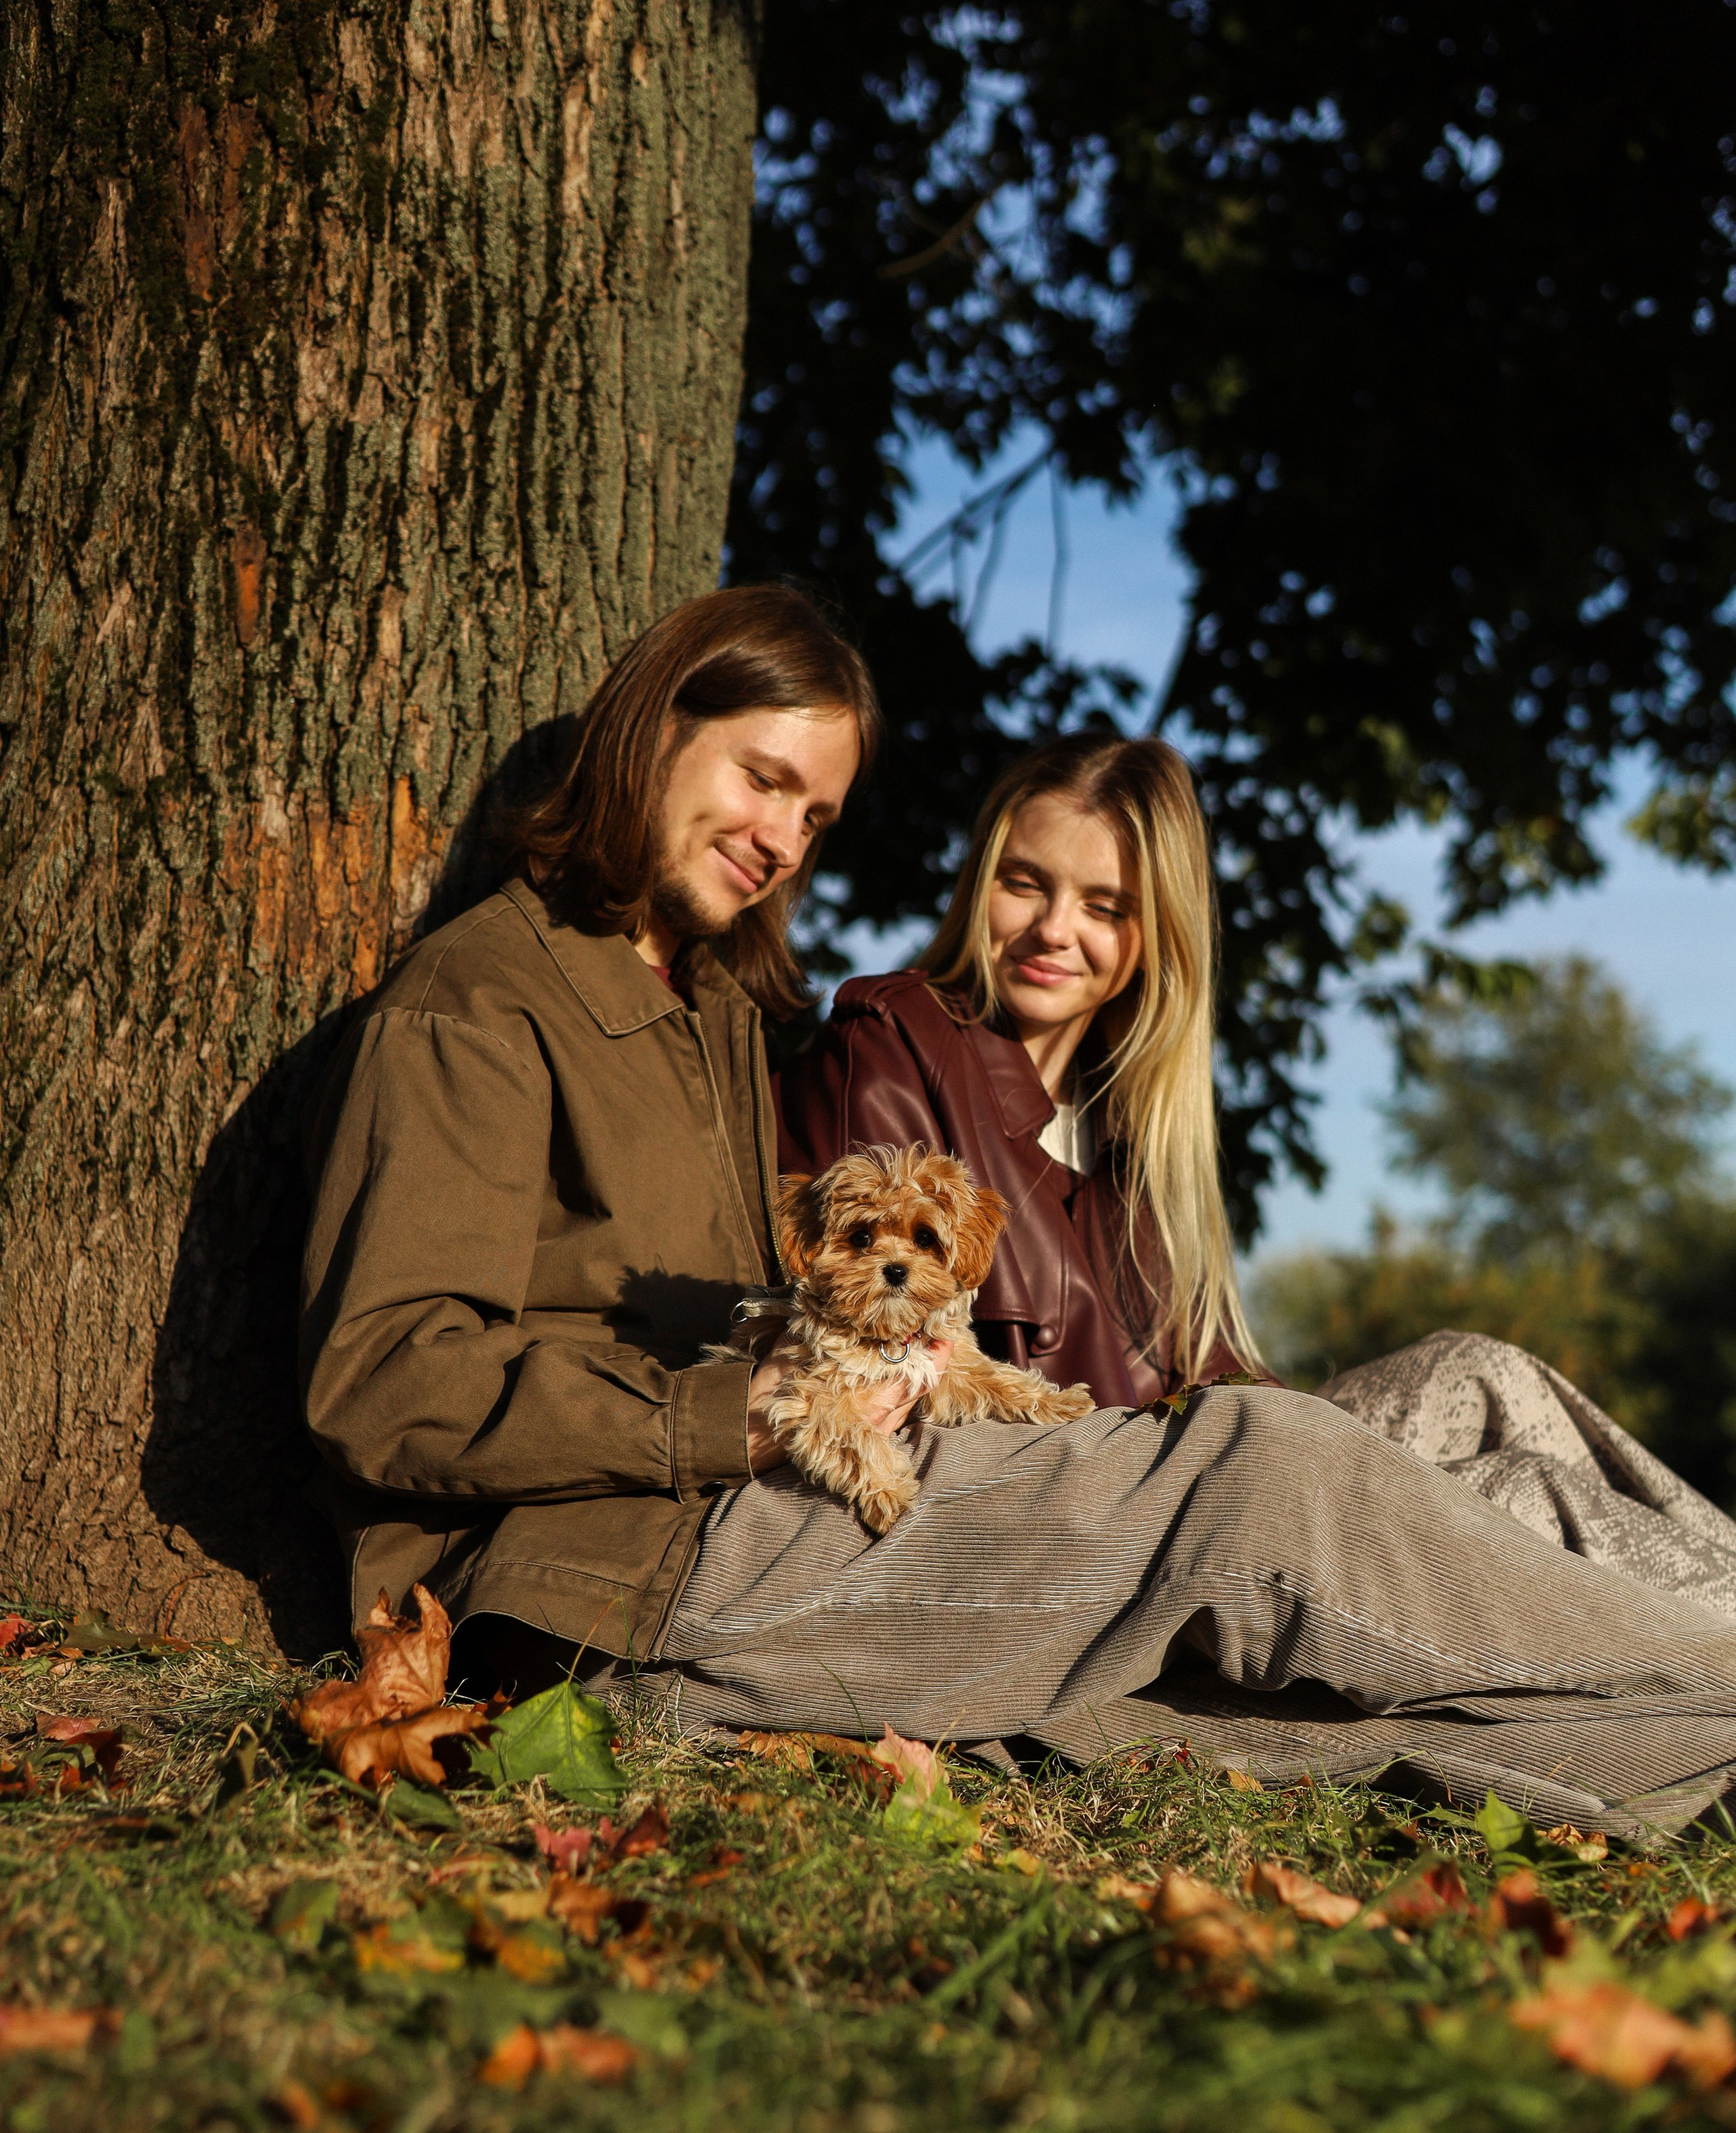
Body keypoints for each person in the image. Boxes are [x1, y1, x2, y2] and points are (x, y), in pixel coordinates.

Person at [300, 593, 1736, 1837]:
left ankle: (1697, 1744)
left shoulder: (714, 1009)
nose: (781, 841)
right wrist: (730, 1416)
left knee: (1275, 1702)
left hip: (774, 1518)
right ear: (649, 729)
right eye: (760, 780)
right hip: (618, 1582)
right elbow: (383, 1380)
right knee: (1255, 1472)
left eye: (813, 816)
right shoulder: (481, 1003)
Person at [778, 734, 1260, 1404]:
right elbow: (875, 1360)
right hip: (993, 1483)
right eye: (1025, 884)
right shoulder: (887, 1049)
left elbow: (1223, 1380)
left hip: (1143, 1480)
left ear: (1156, 936)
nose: (1054, 929)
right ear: (981, 884)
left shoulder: (1138, 1139)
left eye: (1105, 908)